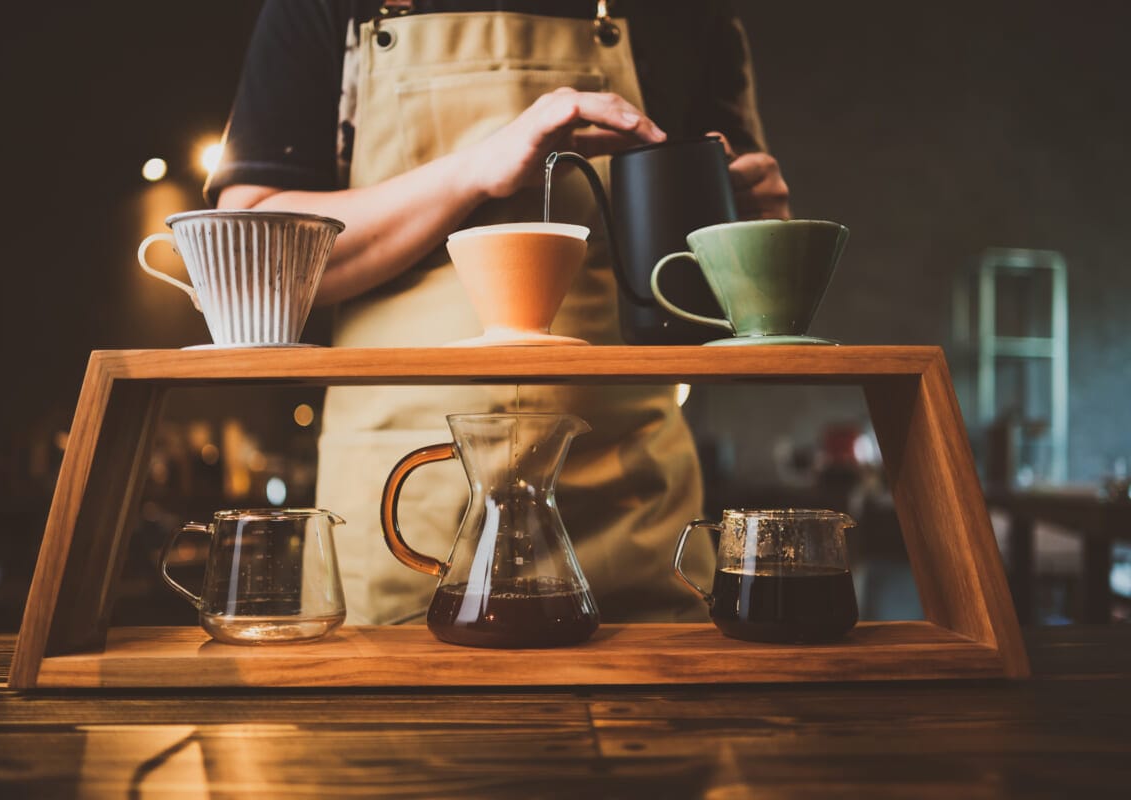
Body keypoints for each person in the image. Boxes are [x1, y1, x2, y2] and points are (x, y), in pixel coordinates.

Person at [206, 0, 791, 625]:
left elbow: (717, 288)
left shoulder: (694, 16)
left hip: (630, 499)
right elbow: (250, 261)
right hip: (407, 502)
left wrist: (751, 235)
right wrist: (473, 171)